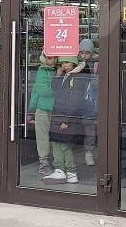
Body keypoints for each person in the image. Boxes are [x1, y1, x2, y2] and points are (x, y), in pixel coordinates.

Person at [42, 55, 89, 185]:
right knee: (56, 143)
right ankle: (60, 170)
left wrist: (67, 120)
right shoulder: (65, 75)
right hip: (59, 115)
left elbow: (76, 101)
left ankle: (70, 171)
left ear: (74, 63)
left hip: (66, 116)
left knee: (64, 145)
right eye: (62, 63)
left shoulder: (77, 77)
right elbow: (54, 88)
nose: (64, 65)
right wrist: (58, 75)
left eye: (67, 62)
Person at [28, 52, 57, 175]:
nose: (53, 60)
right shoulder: (42, 71)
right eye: (50, 58)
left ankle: (55, 162)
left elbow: (36, 92)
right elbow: (43, 91)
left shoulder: (55, 70)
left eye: (55, 58)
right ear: (44, 58)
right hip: (43, 108)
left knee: (51, 137)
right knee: (43, 137)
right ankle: (44, 164)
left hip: (52, 108)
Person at [79, 38, 99, 166]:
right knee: (89, 131)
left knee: (99, 129)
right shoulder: (77, 64)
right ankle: (89, 153)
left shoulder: (98, 62)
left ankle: (97, 153)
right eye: (82, 53)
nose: (84, 55)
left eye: (87, 53)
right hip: (85, 102)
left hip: (96, 100)